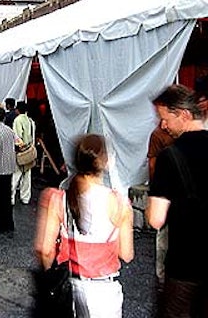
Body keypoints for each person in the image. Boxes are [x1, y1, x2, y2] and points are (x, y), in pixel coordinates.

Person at [35, 134, 134, 317]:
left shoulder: (58, 199)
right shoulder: (120, 204)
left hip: (68, 288)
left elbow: (45, 250)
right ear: (106, 162)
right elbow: (126, 255)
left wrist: (52, 277)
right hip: (104, 294)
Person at [146, 84, 208, 317]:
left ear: (183, 114)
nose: (163, 125)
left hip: (185, 264)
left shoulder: (170, 156)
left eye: (165, 118)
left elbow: (155, 219)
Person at [147, 124, 174, 287]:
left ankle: (163, 278)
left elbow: (152, 165)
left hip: (168, 191)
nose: (164, 124)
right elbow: (152, 165)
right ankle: (163, 278)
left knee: (164, 236)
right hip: (169, 192)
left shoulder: (158, 134)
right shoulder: (159, 134)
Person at [11, 101, 36, 205]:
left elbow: (17, 138)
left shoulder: (18, 120)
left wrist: (16, 150)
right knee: (27, 175)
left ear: (18, 110)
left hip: (21, 151)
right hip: (30, 150)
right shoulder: (31, 121)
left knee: (16, 175)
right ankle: (25, 198)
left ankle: (11, 198)